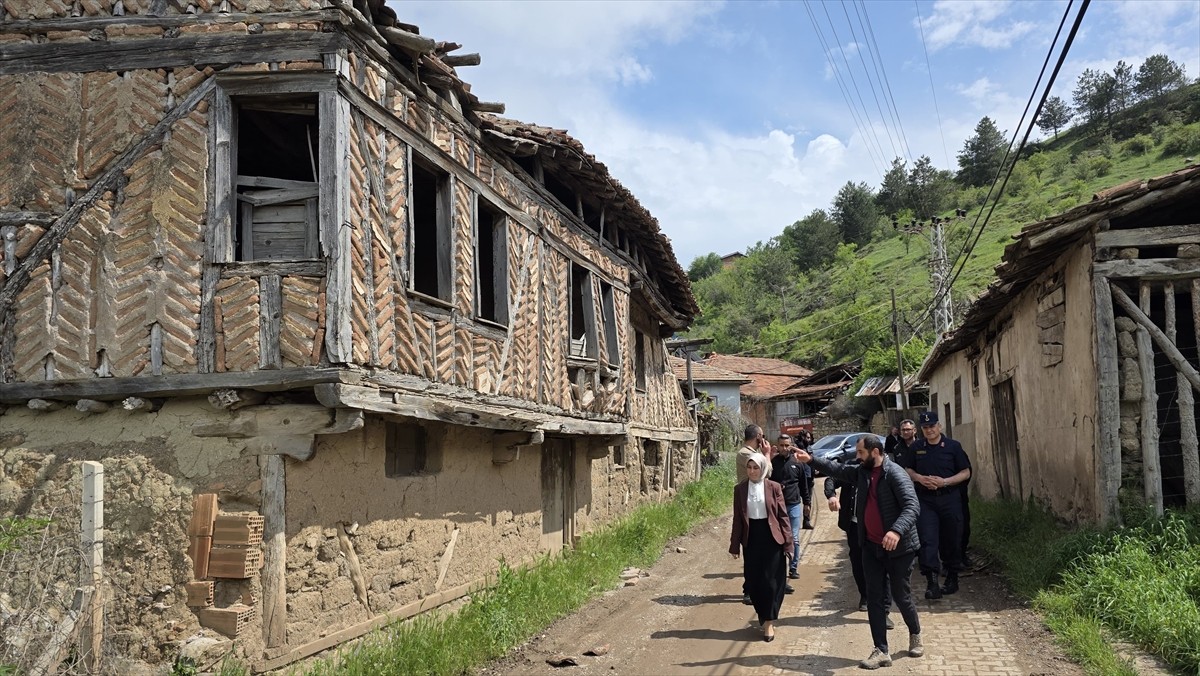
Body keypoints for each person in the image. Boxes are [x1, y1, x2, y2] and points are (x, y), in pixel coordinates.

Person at [796, 436, 923, 670]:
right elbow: (838, 469)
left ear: (875, 452)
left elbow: (912, 506)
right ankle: (881, 650)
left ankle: (915, 632)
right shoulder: (861, 473)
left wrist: (896, 531)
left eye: (861, 452)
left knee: (901, 595)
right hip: (871, 547)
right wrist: (811, 460)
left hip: (899, 549)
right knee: (874, 598)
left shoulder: (894, 474)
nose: (857, 457)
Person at [900, 411, 971, 600]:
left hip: (949, 498)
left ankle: (952, 578)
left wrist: (945, 482)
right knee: (928, 540)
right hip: (926, 500)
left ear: (939, 426)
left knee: (952, 538)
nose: (929, 430)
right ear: (921, 429)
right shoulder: (916, 447)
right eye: (925, 427)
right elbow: (907, 469)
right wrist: (919, 479)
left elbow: (965, 472)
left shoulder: (953, 447)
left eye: (932, 426)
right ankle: (932, 583)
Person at [729, 452, 793, 642]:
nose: (752, 471)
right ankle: (762, 611)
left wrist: (789, 543)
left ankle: (769, 622)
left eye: (756, 467)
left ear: (763, 468)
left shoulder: (773, 487)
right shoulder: (740, 489)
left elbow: (782, 516)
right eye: (749, 467)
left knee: (772, 581)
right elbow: (738, 519)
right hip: (752, 538)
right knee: (754, 581)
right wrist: (734, 545)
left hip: (772, 537)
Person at [824, 458, 891, 622]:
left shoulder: (885, 471)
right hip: (854, 526)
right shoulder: (852, 469)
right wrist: (832, 496)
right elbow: (830, 478)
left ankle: (885, 609)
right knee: (857, 560)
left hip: (876, 527)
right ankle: (865, 595)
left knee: (883, 566)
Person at [772, 435, 811, 582]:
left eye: (787, 445)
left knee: (794, 538)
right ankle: (779, 568)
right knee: (779, 538)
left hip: (794, 505)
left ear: (791, 445)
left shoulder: (797, 463)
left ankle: (793, 568)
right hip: (777, 507)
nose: (784, 448)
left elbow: (804, 485)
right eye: (781, 445)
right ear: (777, 445)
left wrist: (807, 503)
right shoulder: (773, 463)